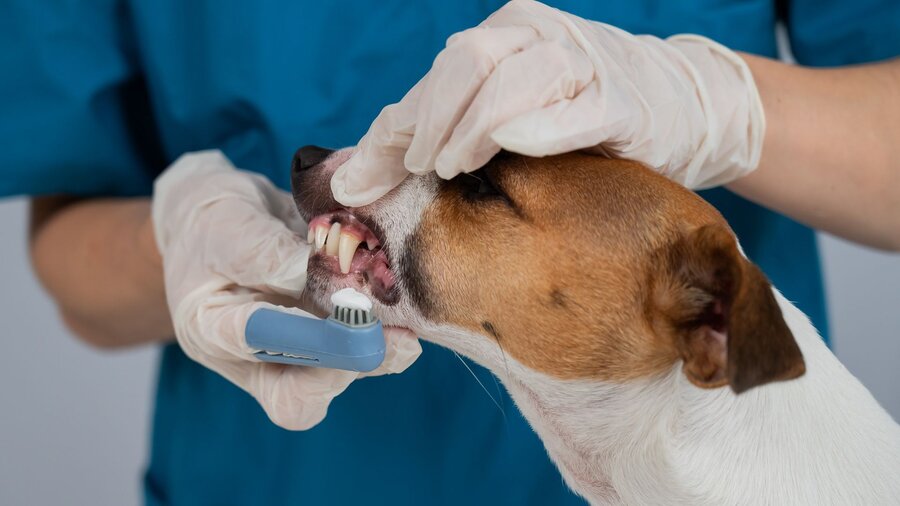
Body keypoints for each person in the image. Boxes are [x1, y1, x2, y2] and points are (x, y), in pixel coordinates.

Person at [2, 0, 897, 504]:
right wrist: (178, 237)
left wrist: (724, 101)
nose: (336, 174)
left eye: (480, 188)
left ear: (712, 329)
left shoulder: (725, 330)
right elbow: (69, 247)